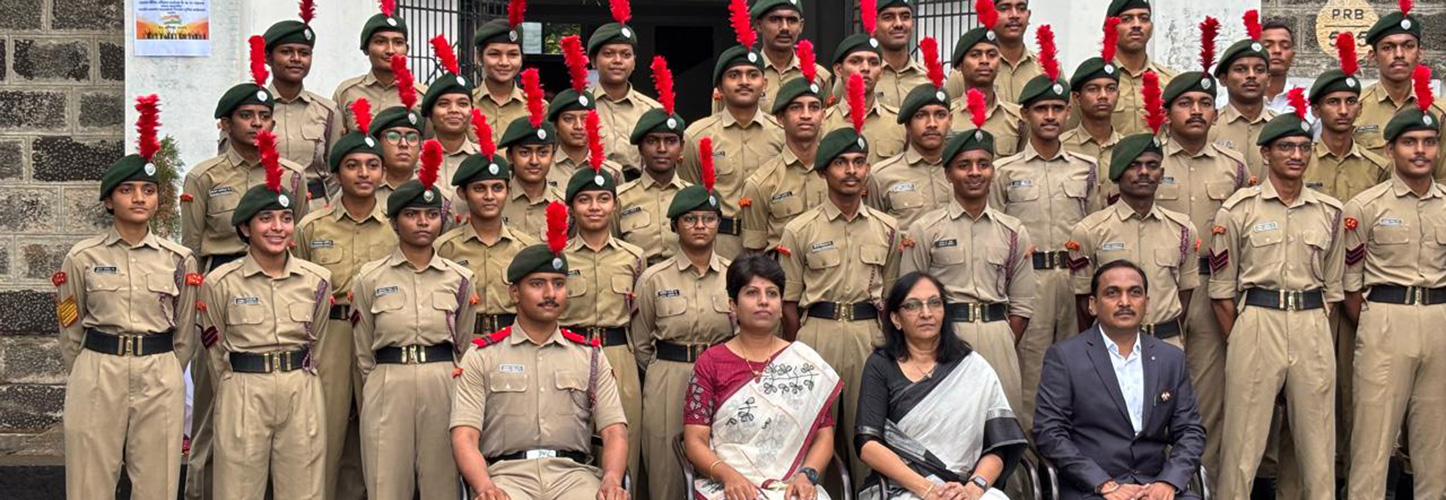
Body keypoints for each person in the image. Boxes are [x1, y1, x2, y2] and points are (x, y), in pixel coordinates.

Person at [182, 48, 308, 500]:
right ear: (226, 123)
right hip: (221, 289)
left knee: (277, 408)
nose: (257, 124)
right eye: (247, 116)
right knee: (213, 405)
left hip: (279, 289)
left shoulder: (291, 177)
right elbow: (191, 250)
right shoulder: (203, 177)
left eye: (264, 116)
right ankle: (203, 490)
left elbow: (298, 239)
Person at [59, 96, 198, 500]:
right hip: (99, 368)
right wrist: (90, 369)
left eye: (148, 190)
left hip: (159, 369)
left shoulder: (179, 259)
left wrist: (167, 368)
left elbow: (185, 332)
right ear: (109, 200)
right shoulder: (83, 258)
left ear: (157, 200)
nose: (139, 198)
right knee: (89, 480)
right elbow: (70, 326)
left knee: (158, 483)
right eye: (127, 190)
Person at [1208, 100, 1344, 500]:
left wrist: (1312, 335)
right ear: (1266, 154)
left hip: (1311, 321)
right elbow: (1222, 292)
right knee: (1242, 445)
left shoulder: (1330, 212)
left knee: (1317, 446)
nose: (1296, 155)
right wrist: (1243, 341)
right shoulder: (1237, 210)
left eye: (1303, 147)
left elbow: (1334, 289)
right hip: (1257, 321)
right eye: (1286, 147)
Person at [450, 202, 630, 500]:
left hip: (573, 477)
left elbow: (614, 431)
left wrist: (611, 479)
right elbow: (464, 435)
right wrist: (484, 486)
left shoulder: (590, 356)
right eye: (537, 284)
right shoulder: (482, 356)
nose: (550, 294)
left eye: (558, 284)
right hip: (507, 478)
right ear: (515, 292)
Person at [198, 131, 331, 499]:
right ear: (245, 228)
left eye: (286, 219)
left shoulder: (317, 280)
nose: (277, 228)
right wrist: (236, 385)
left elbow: (318, 341)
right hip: (243, 386)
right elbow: (214, 350)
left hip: (300, 387)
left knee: (304, 489)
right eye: (266, 219)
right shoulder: (220, 282)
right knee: (237, 489)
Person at [899, 91, 1034, 427]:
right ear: (948, 173)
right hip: (943, 339)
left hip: (998, 336)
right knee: (945, 427)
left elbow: (1021, 307)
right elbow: (909, 299)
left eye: (983, 164)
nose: (974, 173)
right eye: (964, 165)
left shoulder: (1013, 230)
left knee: (1002, 427)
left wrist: (999, 337)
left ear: (992, 172)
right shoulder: (925, 229)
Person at [779, 113, 901, 482]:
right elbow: (788, 302)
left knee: (869, 432)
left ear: (868, 170)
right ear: (823, 171)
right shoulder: (799, 229)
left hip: (868, 336)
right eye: (841, 163)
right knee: (816, 433)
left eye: (859, 162)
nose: (851, 171)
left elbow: (891, 295)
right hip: (818, 334)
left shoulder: (887, 228)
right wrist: (801, 346)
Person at [351, 145, 477, 500]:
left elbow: (464, 341)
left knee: (443, 484)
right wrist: (379, 386)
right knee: (386, 482)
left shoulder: (460, 278)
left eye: (431, 214)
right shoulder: (370, 278)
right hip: (388, 381)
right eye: (412, 214)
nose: (423, 222)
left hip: (443, 381)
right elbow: (363, 350)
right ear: (394, 222)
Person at [1343, 70, 1446, 499]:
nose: (1420, 151)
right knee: (1373, 439)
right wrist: (1375, 323)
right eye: (1410, 142)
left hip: (1439, 321)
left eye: (1429, 142)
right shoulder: (1365, 207)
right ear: (1390, 149)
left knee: (1434, 442)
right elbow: (1349, 284)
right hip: (1385, 318)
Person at [990, 36, 1102, 431]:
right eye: (1041, 109)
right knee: (1030, 371)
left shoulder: (1086, 168)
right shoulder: (1005, 171)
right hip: (1029, 280)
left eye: (1057, 108)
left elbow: (1094, 228)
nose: (1050, 116)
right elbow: (998, 236)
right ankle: (1029, 458)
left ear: (1068, 112)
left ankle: (1070, 452)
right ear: (1025, 114)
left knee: (1078, 368)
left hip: (1074, 280)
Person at [1155, 39, 1249, 487]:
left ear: (1215, 112)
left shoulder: (1234, 166)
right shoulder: (1147, 161)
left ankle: (1201, 483)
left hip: (1213, 289)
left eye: (1205, 103)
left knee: (1209, 396)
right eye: (1185, 103)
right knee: (1156, 391)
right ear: (1167, 112)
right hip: (1160, 292)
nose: (1196, 110)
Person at [292, 101, 397, 500]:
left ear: (383, 172)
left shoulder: (396, 226)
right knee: (326, 429)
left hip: (380, 333)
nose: (364, 173)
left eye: (372, 165)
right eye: (353, 166)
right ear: (336, 174)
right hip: (331, 334)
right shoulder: (311, 227)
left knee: (377, 432)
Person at [1034, 260, 1206, 499]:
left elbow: (1190, 430)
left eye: (1134, 293)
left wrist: (1169, 481)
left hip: (1155, 486)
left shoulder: (1170, 358)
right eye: (1112, 293)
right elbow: (1049, 432)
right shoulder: (1065, 357)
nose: (1125, 302)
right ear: (1092, 305)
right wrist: (1103, 483)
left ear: (1146, 303)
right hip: (1092, 489)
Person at [683, 254, 842, 500]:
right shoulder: (711, 362)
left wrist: (806, 475)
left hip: (791, 484)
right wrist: (727, 475)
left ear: (781, 304)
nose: (763, 301)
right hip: (729, 483)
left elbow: (824, 436)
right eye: (751, 293)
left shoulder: (804, 362)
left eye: (772, 293)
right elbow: (694, 441)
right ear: (732, 305)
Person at [857, 272, 1028, 500]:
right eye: (913, 305)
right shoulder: (881, 365)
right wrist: (928, 490)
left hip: (965, 488)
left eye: (934, 303)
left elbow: (999, 445)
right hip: (905, 488)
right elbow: (867, 443)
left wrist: (973, 488)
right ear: (896, 318)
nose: (926, 313)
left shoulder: (972, 366)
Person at [631, 175, 733, 500]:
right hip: (668, 378)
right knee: (666, 470)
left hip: (722, 378)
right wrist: (664, 371)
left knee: (722, 462)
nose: (700, 226)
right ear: (675, 226)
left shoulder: (734, 275)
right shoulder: (653, 279)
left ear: (718, 224)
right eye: (690, 219)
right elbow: (641, 343)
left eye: (708, 219)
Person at [559, 163, 647, 491]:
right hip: (570, 354)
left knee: (624, 447)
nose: (594, 207)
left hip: (618, 356)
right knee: (573, 448)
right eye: (584, 200)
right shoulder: (559, 257)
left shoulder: (634, 257)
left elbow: (639, 316)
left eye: (603, 199)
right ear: (571, 208)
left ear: (615, 204)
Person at [1067, 131, 1199, 348]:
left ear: (1161, 173)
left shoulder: (1183, 230)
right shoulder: (1090, 230)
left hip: (1166, 343)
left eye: (1152, 165)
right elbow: (1084, 303)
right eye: (1134, 165)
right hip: (1111, 344)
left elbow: (1184, 295)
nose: (1144, 172)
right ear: (1118, 172)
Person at [681, 3, 784, 259]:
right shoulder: (697, 136)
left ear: (764, 84)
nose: (744, 82)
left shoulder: (782, 134)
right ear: (719, 86)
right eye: (734, 75)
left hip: (769, 245)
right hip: (718, 245)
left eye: (752, 75)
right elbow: (689, 194)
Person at [436, 111, 539, 338]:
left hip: (513, 341)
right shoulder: (444, 248)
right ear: (463, 193)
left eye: (497, 188)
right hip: (465, 341)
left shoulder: (526, 248)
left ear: (508, 192)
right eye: (479, 189)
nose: (490, 196)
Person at [741, 42, 828, 255]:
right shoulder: (760, 183)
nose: (806, 115)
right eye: (796, 108)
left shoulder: (839, 174)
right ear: (780, 118)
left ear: (824, 116)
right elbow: (755, 254)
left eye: (814, 108)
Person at [260, 9, 343, 210]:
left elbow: (336, 172)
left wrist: (328, 212)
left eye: (304, 53)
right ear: (268, 58)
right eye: (286, 52)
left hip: (314, 209)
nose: (296, 58)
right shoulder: (250, 109)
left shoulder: (327, 111)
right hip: (263, 208)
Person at [867, 37, 953, 229]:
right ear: (907, 125)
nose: (932, 124)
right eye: (921, 116)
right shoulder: (881, 176)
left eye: (940, 115)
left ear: (951, 120)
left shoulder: (964, 171)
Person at [617, 56, 692, 266]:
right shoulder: (620, 199)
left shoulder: (692, 197)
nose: (661, 149)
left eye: (670, 141)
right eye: (652, 141)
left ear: (681, 147)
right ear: (640, 148)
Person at [1358, 0, 1446, 177]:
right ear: (1372, 56)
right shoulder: (1355, 108)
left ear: (1420, 54)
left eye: (1408, 46)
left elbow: (1443, 178)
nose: (1399, 54)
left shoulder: (1439, 112)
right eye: (1388, 47)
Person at [1303, 34, 1390, 203]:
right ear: (1316, 110)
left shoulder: (1377, 167)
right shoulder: (1300, 162)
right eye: (1333, 102)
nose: (1343, 111)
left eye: (1350, 101)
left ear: (1360, 108)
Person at [586, 0, 664, 175]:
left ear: (634, 62)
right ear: (593, 60)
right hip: (591, 188)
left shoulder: (652, 110)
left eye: (625, 54)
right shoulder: (578, 108)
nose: (617, 61)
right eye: (608, 54)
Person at [823, 15, 906, 165]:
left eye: (873, 62)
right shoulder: (823, 123)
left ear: (880, 72)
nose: (866, 68)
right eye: (856, 61)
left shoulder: (899, 122)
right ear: (838, 70)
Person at [946, 0, 1025, 157]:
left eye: (991, 55)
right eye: (975, 55)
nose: (984, 61)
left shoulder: (1018, 118)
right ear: (960, 65)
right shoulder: (947, 117)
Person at [333, 1, 427, 132]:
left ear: (407, 49)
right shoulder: (347, 92)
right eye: (380, 42)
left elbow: (429, 140)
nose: (390, 50)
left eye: (398, 43)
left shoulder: (422, 95)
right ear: (366, 48)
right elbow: (338, 140)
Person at [498, 69, 566, 241]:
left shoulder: (565, 205)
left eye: (543, 152)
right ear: (510, 156)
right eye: (524, 152)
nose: (534, 161)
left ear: (553, 155)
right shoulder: (495, 201)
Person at [551, 36, 626, 189]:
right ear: (555, 125)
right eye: (568, 119)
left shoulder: (612, 172)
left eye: (585, 119)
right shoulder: (542, 169)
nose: (578, 126)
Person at [1211, 11, 1277, 177]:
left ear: (1268, 79)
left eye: (1259, 70)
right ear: (1224, 79)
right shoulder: (1209, 127)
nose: (1251, 75)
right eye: (1241, 69)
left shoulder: (1280, 126)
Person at [1062, 18, 1124, 193]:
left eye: (1110, 89)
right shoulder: (1060, 147)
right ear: (1076, 97)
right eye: (1093, 89)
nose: (1103, 96)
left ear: (1118, 95)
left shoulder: (1127, 149)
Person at [741, 0, 833, 115]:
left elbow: (826, 122)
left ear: (801, 26)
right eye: (775, 19)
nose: (785, 27)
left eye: (792, 20)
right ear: (759, 25)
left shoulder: (819, 77)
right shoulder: (741, 75)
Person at [421, 36, 479, 212]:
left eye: (462, 104)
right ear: (430, 114)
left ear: (471, 111)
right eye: (443, 104)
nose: (454, 110)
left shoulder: (484, 158)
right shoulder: (414, 157)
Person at [1102, 0, 1176, 136]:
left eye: (1144, 18)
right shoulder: (1092, 82)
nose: (1137, 25)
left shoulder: (1171, 82)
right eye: (1126, 19)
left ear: (1151, 27)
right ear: (1109, 28)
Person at [470, 4, 531, 144]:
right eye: (494, 54)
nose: (504, 62)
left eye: (513, 54)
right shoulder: (465, 104)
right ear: (479, 57)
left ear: (521, 58)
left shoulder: (536, 107)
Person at [368, 61, 425, 207]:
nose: (404, 144)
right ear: (378, 143)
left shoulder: (433, 193)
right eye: (393, 137)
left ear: (421, 145)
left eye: (412, 138)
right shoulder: (363, 191)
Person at [870, 0, 928, 108]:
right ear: (873, 26)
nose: (898, 24)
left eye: (905, 17)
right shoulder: (860, 77)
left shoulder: (927, 79)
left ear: (913, 24)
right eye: (888, 17)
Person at [1259, 21, 1303, 117]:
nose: (1277, 51)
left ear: (1293, 56)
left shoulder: (1308, 101)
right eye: (1267, 46)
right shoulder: (1232, 99)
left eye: (1285, 46)